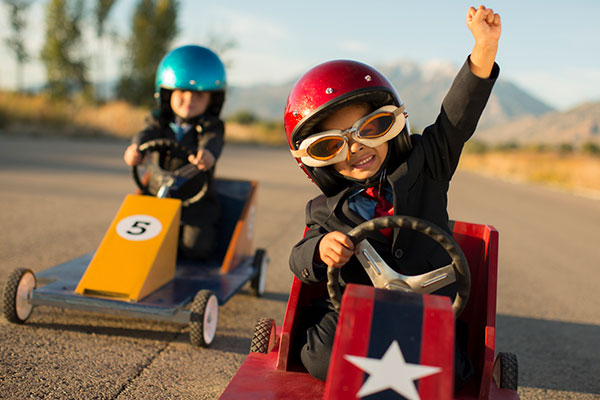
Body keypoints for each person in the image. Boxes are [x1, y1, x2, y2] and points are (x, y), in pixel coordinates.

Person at [284, 5, 501, 389]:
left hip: (428, 311)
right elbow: (298, 258)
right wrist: (320, 250)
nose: (356, 150)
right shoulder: (324, 211)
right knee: (316, 355)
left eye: (371, 128)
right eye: (332, 146)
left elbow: (456, 120)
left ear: (393, 123)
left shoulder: (425, 164)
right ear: (315, 162)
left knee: (456, 373)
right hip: (356, 314)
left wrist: (483, 51)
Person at [123, 45, 227, 260]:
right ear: (167, 93)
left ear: (212, 99)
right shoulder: (158, 120)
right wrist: (135, 149)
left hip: (195, 202)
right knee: (138, 241)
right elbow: (145, 135)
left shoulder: (212, 126)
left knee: (196, 247)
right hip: (155, 196)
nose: (189, 99)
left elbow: (213, 142)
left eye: (198, 94)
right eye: (181, 92)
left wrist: (207, 153)